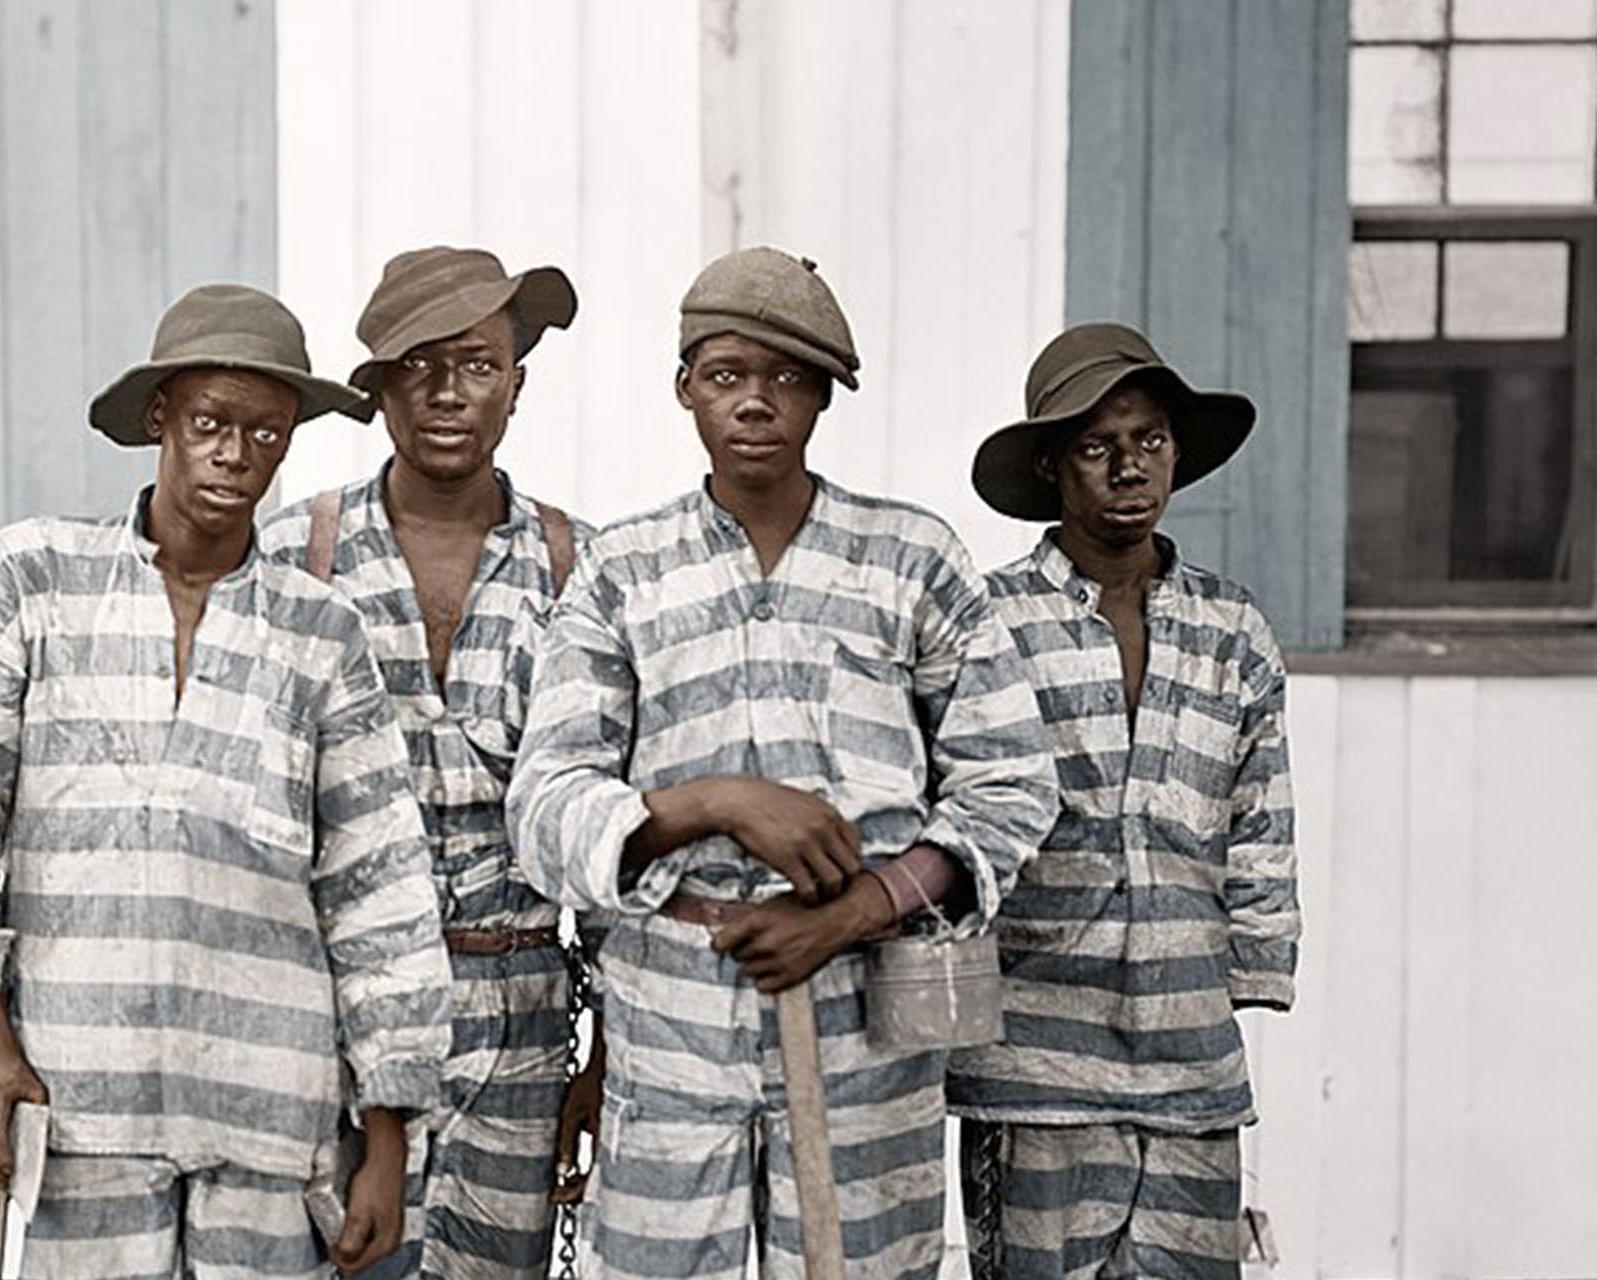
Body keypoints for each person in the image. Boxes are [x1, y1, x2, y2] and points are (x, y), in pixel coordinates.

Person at [506, 246, 1059, 1279]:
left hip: (867, 1013)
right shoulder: (623, 570)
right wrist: (715, 802)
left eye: (788, 378)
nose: (756, 402)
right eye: (726, 375)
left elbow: (1011, 781)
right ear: (684, 388)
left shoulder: (910, 557)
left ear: (824, 396)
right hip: (671, 1013)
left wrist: (857, 909)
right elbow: (545, 803)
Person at [0, 284, 453, 1278]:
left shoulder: (322, 637)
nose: (237, 457)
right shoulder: (34, 581)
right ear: (162, 419)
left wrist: (388, 1137)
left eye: (267, 435)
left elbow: (379, 893)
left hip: (270, 1119)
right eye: (212, 424)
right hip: (74, 1106)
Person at [259, 247, 594, 1280]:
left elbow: (617, 812)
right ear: (376, 390)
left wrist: (608, 1050)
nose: (450, 394)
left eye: (480, 364)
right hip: (335, 1010)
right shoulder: (292, 554)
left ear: (517, 385)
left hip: (524, 1010)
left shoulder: (583, 566)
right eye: (420, 367)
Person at [949, 322, 1299, 1280]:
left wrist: (1252, 967)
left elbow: (1260, 821)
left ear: (1177, 455)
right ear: (1054, 466)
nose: (1128, 469)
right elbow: (955, 826)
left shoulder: (1232, 629)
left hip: (1190, 1062)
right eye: (1098, 448)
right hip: (1031, 1060)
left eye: (1148, 442)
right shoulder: (989, 623)